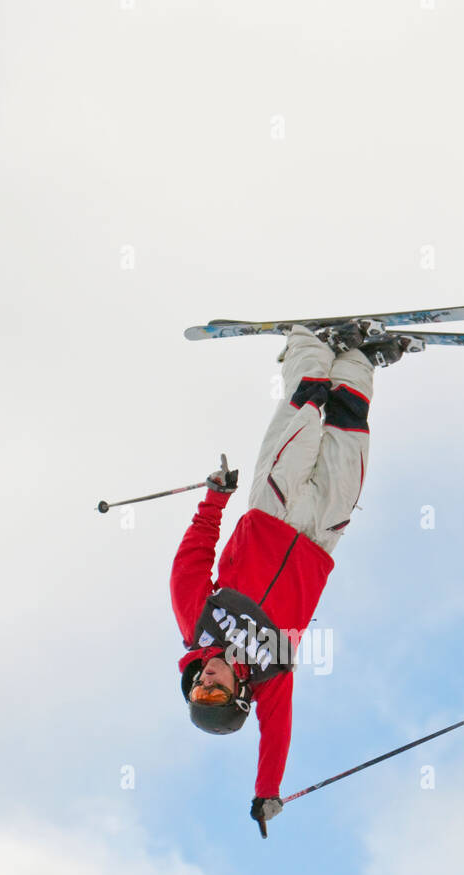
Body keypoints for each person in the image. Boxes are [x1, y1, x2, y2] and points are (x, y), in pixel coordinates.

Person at [169, 320, 410, 833]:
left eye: (198, 691)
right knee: (348, 437)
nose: (204, 684)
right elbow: (276, 736)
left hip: (271, 515)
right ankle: (358, 359)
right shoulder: (270, 674)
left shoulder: (198, 626)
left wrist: (213, 501)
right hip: (321, 536)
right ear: (237, 697)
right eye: (213, 695)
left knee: (303, 412)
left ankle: (307, 341)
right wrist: (266, 794)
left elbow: (189, 563)